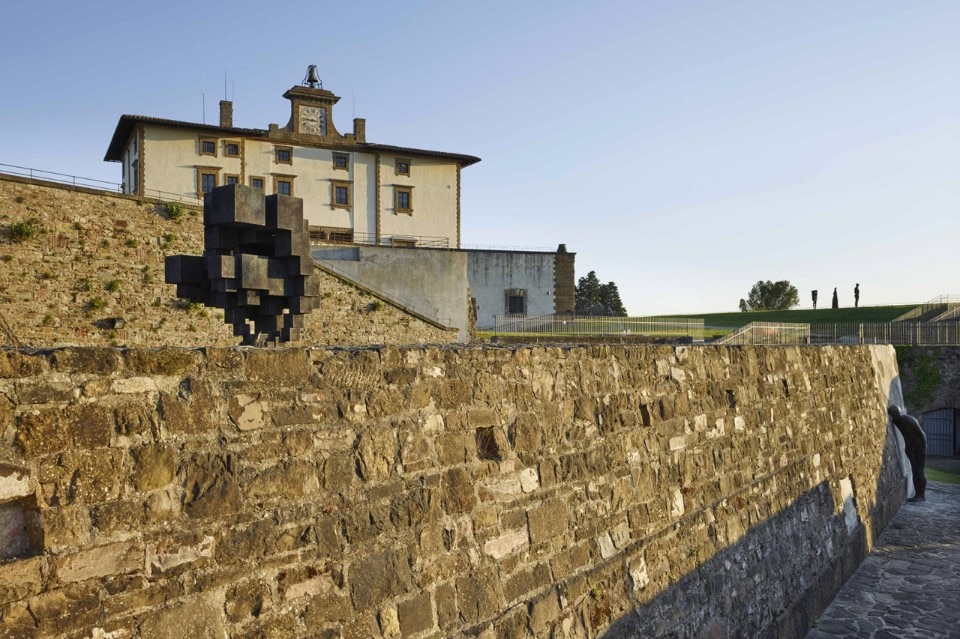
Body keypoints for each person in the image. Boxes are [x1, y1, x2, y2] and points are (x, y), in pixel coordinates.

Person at [888, 405, 927, 502]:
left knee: (919, 471)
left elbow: (922, 434)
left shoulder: (909, 419)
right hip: (910, 448)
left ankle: (921, 495)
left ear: (899, 412)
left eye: (895, 414)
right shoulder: (896, 421)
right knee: (914, 471)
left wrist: (924, 449)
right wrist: (907, 448)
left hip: (919, 448)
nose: (894, 416)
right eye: (892, 415)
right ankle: (917, 495)